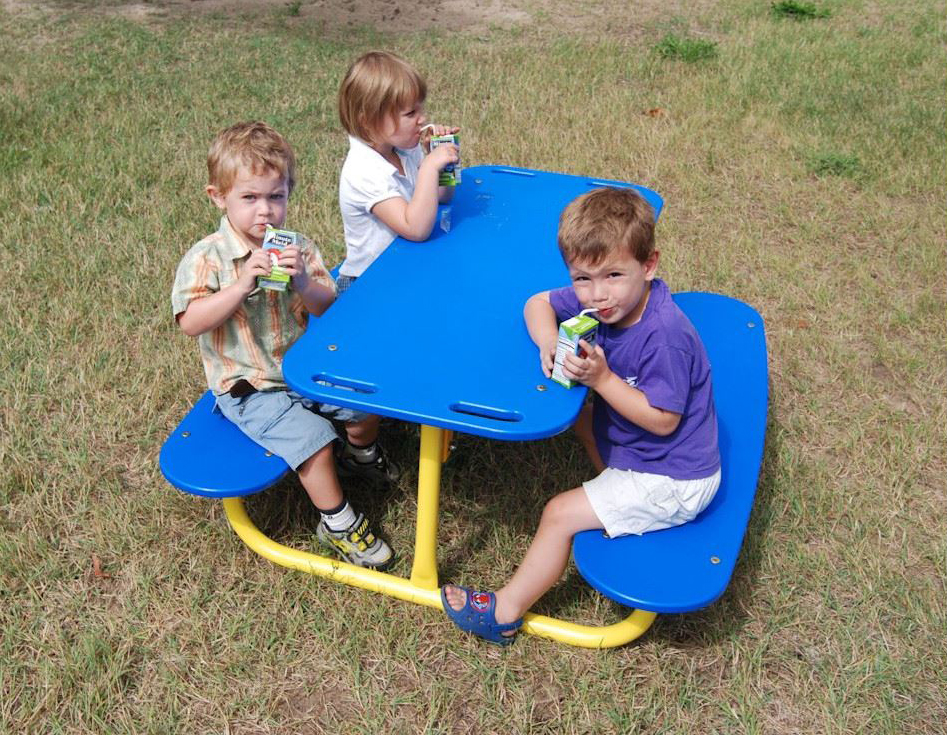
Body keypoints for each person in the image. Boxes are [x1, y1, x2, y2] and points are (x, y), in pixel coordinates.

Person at [440, 187, 721, 644]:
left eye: (613, 275)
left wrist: (603, 380)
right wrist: (548, 340)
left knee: (558, 513)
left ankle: (504, 614)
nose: (597, 294)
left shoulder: (664, 336)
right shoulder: (606, 300)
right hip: (647, 450)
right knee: (585, 420)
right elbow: (537, 303)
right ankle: (614, 493)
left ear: (649, 265)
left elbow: (665, 421)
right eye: (582, 279)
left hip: (676, 478)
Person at [171, 121, 399, 570]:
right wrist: (239, 286)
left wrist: (300, 282)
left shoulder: (299, 247)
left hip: (300, 366)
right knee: (313, 441)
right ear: (219, 197)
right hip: (249, 385)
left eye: (276, 197)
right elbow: (191, 322)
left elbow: (327, 305)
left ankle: (361, 456)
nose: (265, 212)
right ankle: (337, 523)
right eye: (250, 198)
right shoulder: (206, 257)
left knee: (364, 404)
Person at [335, 50, 460, 293]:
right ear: (368, 120)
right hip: (368, 286)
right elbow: (415, 229)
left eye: (420, 109)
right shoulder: (363, 170)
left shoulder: (402, 148)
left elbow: (444, 196)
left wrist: (443, 165)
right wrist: (428, 169)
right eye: (410, 113)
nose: (422, 119)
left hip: (404, 266)